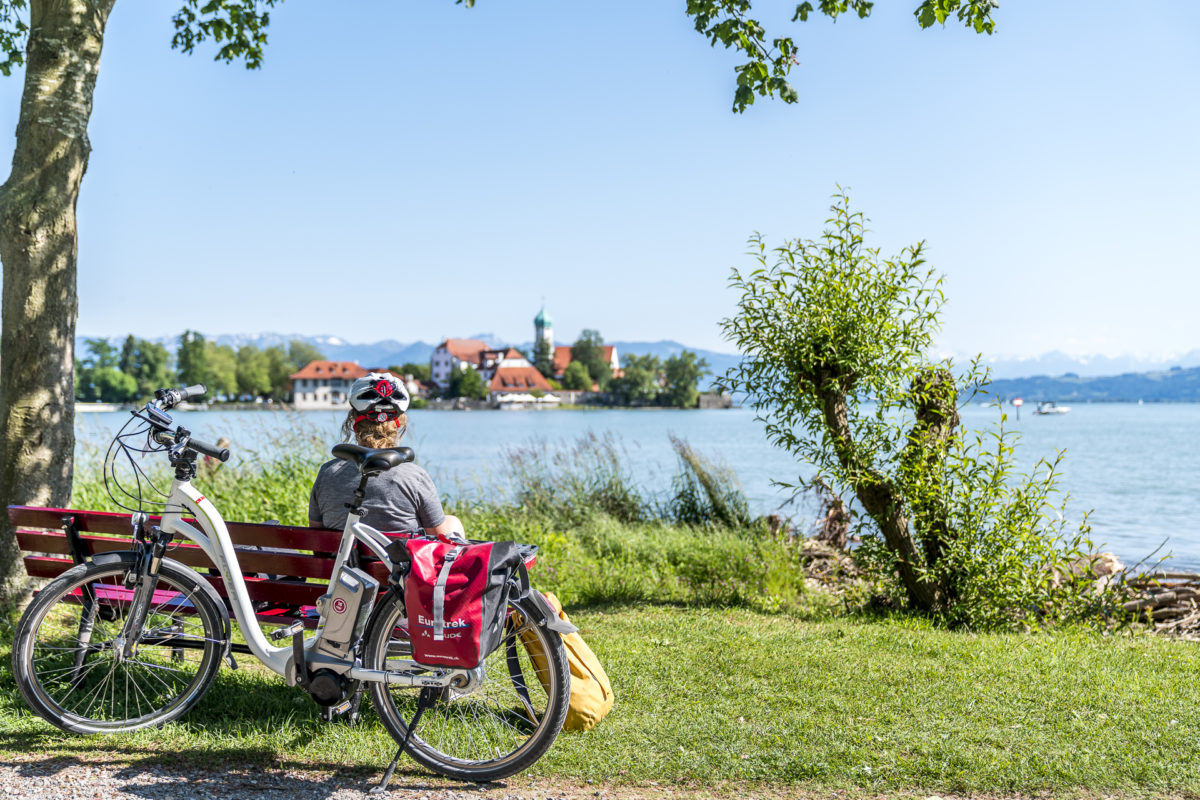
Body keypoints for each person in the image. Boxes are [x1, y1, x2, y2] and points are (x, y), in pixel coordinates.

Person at [308, 372, 464, 538]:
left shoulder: (327, 473)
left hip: (338, 564)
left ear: (353, 425)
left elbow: (316, 535)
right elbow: (440, 538)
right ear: (398, 426)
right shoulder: (414, 476)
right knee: (452, 522)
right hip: (394, 564)